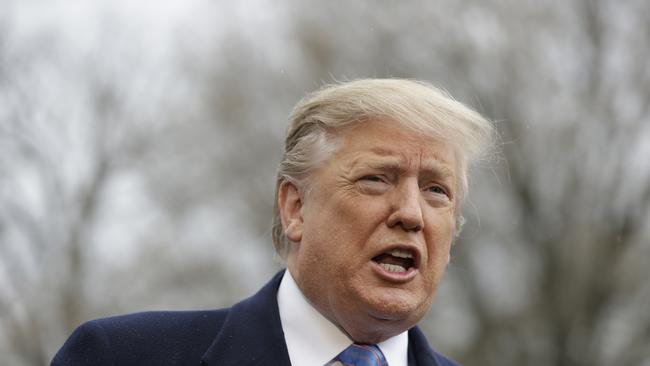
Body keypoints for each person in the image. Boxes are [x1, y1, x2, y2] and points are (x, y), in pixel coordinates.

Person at [51, 78, 494, 366]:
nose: (411, 214)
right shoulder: (120, 356)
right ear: (294, 208)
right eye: (377, 179)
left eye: (436, 190)